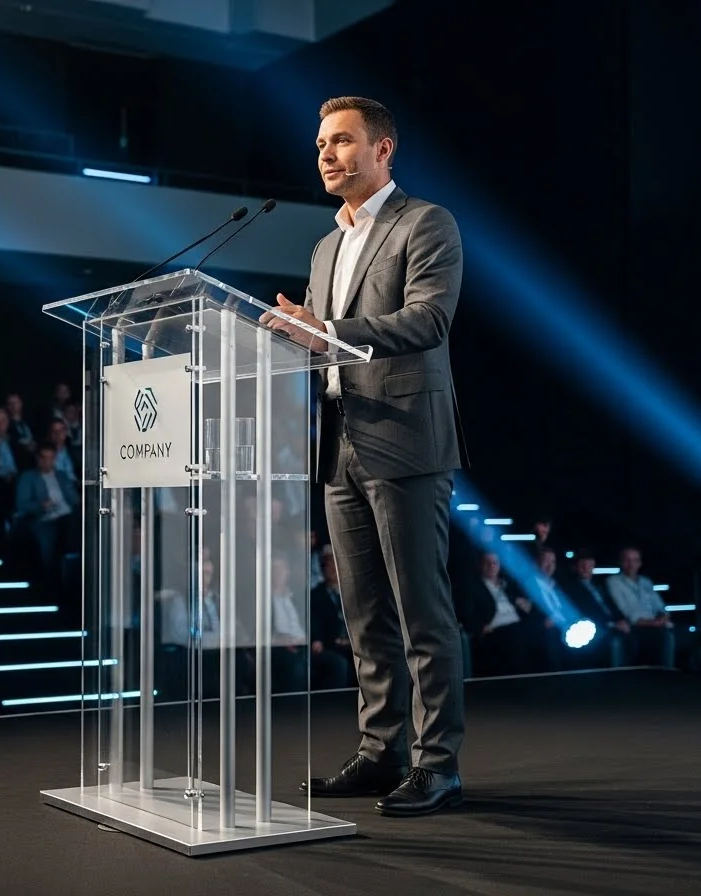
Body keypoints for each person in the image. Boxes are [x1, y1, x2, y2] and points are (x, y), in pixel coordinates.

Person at [261, 96, 468, 817]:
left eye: (341, 140)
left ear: (383, 150)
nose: (325, 153)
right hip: (337, 441)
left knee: (421, 611)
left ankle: (437, 763)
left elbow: (428, 317)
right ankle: (382, 752)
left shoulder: (425, 222)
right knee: (362, 615)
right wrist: (291, 336)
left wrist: (328, 330)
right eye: (320, 142)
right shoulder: (326, 246)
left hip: (406, 441)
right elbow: (323, 342)